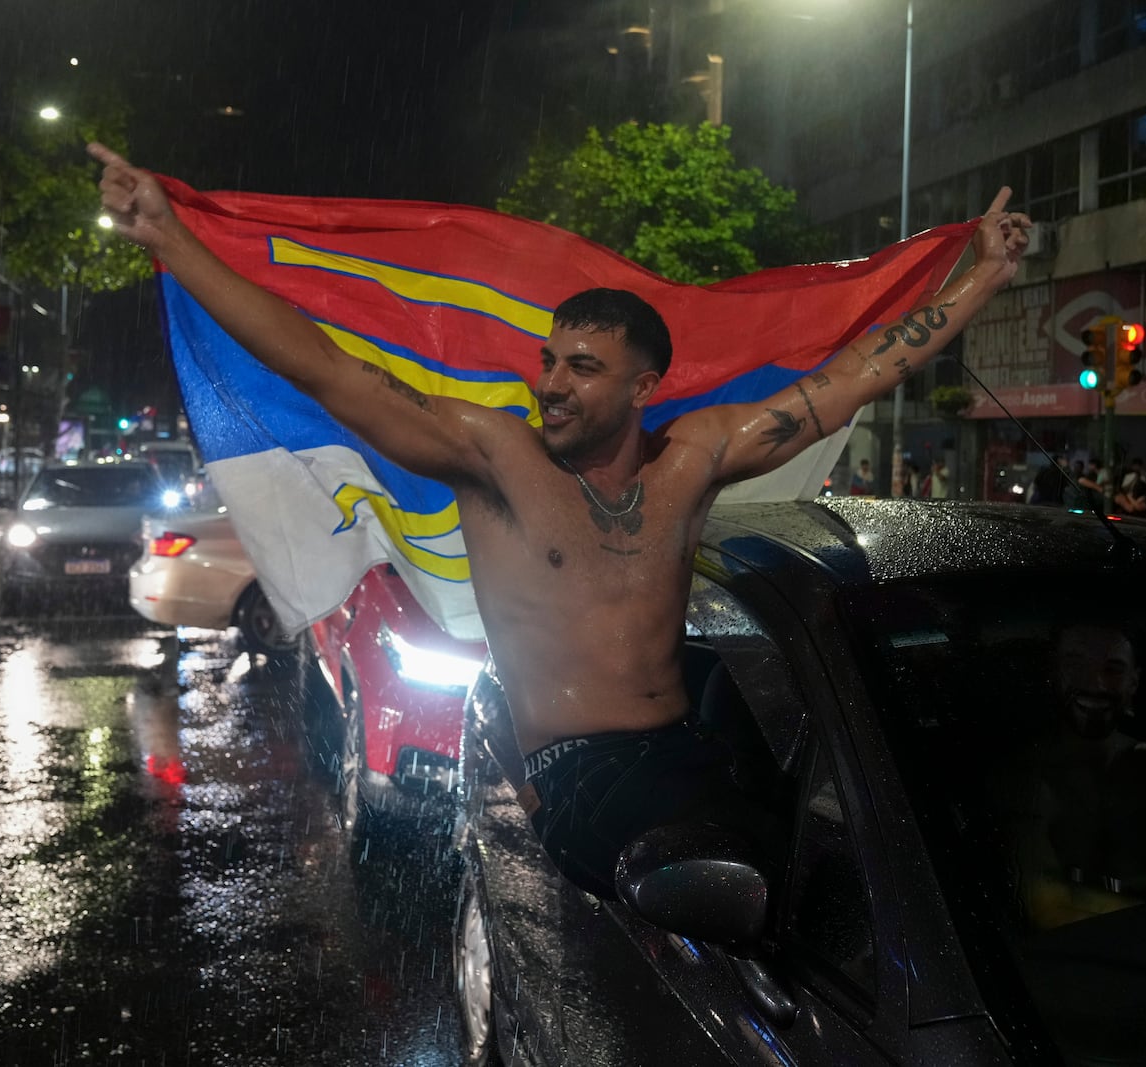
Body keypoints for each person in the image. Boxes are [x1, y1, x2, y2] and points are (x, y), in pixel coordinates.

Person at [91, 142, 1032, 899]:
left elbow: (848, 380)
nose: (550, 383)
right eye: (549, 361)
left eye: (582, 367)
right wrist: (174, 242)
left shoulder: (693, 460)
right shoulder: (495, 457)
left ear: (643, 386)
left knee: (893, 860)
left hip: (685, 747)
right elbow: (328, 369)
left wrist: (980, 280)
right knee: (770, 895)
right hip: (579, 777)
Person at [994, 620, 1146, 930]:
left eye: (1113, 668)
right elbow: (1044, 904)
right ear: (1054, 673)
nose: (1096, 684)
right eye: (1076, 665)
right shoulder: (1026, 780)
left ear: (1133, 683)